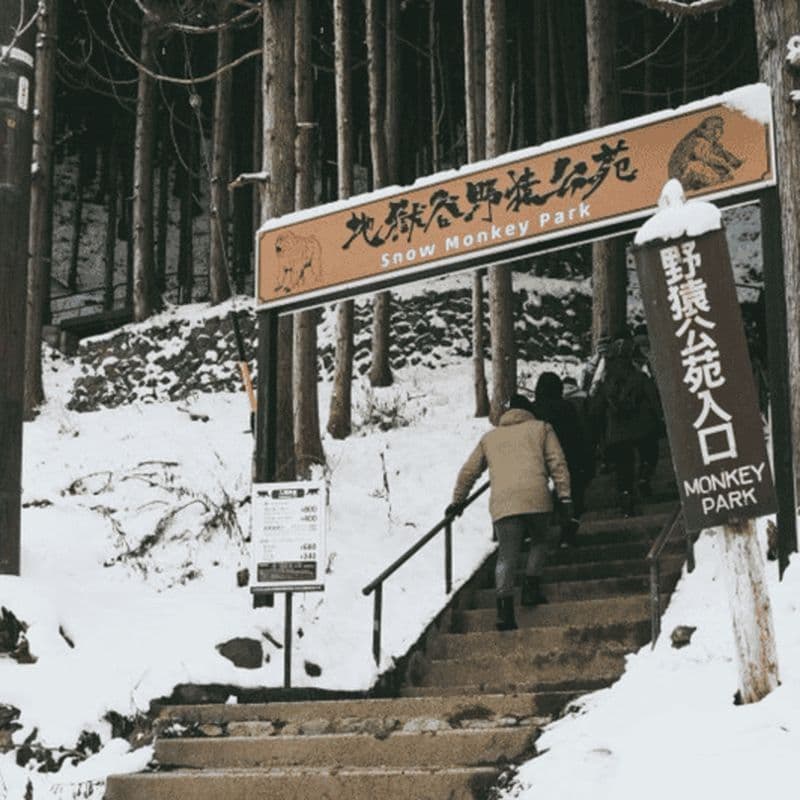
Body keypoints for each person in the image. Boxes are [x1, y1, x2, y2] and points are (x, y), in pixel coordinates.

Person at [445, 394, 572, 631]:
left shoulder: (490, 438)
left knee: (506, 555)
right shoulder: (542, 428)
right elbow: (558, 463)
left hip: (504, 504)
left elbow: (469, 471)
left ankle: (504, 611)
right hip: (536, 498)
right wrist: (565, 496)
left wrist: (457, 501)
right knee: (540, 541)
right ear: (528, 411)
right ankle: (531, 589)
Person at [590, 338, 662, 516]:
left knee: (624, 466)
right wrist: (659, 418)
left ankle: (626, 498)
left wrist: (600, 434)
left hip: (617, 432)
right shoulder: (639, 377)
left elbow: (595, 409)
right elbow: (654, 399)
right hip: (643, 427)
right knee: (649, 452)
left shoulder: (606, 381)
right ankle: (644, 475)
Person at [531, 372, 594, 547]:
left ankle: (534, 534)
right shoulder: (566, 407)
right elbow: (578, 434)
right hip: (568, 456)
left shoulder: (533, 409)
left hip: (539, 459)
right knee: (570, 494)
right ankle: (567, 532)